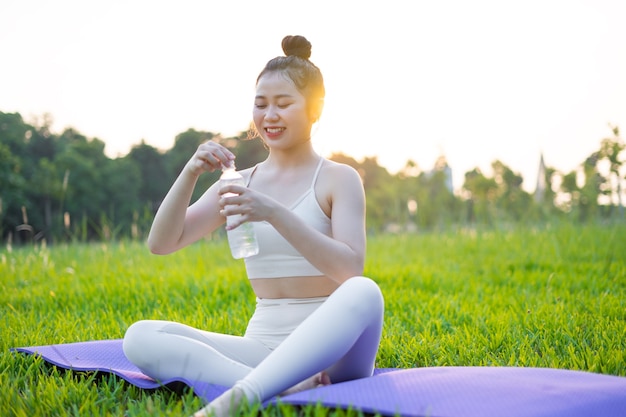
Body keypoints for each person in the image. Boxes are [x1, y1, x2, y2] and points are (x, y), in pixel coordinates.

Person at [122, 35, 384, 417]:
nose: (269, 115)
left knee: (365, 291)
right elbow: (162, 243)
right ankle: (284, 386)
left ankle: (239, 397)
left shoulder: (339, 178)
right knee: (140, 337)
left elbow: (349, 268)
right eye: (260, 105)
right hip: (261, 346)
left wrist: (274, 212)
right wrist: (190, 172)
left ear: (315, 108)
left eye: (283, 104)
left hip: (335, 354)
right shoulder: (237, 183)